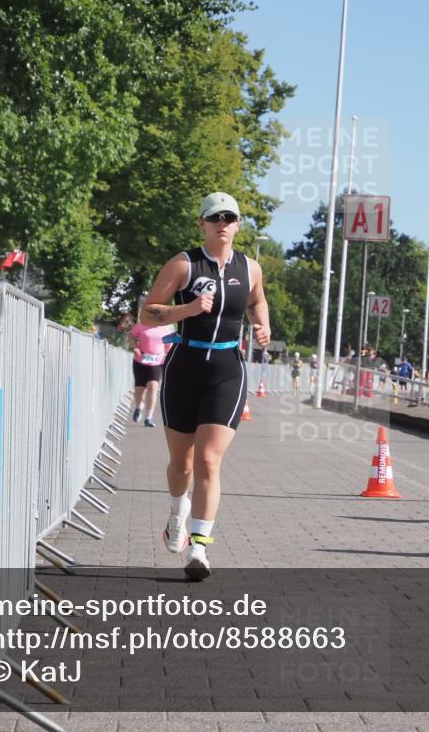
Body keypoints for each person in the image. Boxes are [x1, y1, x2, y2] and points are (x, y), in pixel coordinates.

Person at [140, 192, 270, 580]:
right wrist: (188, 310)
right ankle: (178, 511)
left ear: (238, 224)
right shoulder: (183, 264)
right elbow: (148, 313)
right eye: (215, 217)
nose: (223, 223)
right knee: (181, 465)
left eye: (230, 217)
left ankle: (199, 549)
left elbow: (257, 302)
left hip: (227, 369)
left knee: (209, 460)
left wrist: (263, 325)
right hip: (184, 367)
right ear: (202, 222)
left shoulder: (251, 268)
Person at [129, 311, 175, 427]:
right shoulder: (141, 325)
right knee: (139, 389)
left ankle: (148, 417)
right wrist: (135, 348)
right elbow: (131, 336)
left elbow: (169, 346)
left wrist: (166, 354)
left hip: (157, 361)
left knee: (153, 388)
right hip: (140, 360)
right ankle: (139, 406)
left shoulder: (167, 328)